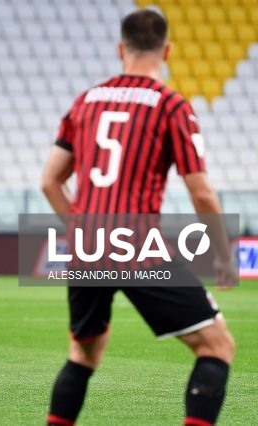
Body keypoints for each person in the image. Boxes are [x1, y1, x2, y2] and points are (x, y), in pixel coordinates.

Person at [40, 10, 236, 426]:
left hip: (87, 247)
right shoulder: (170, 106)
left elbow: (50, 181)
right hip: (135, 243)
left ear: (120, 49)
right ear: (167, 51)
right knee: (217, 347)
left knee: (83, 353)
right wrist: (223, 255)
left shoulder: (86, 101)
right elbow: (202, 192)